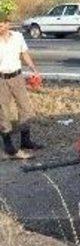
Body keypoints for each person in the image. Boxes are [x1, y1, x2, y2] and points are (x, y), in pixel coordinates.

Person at [0, 14, 42, 159]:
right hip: (1, 79)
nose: (0, 26)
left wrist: (33, 69)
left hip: (17, 77)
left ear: (8, 23)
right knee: (3, 111)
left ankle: (25, 140)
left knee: (25, 108)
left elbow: (24, 54)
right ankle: (7, 144)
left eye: (3, 23)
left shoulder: (17, 37)